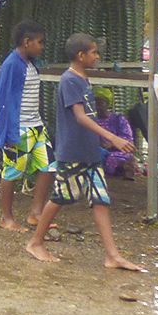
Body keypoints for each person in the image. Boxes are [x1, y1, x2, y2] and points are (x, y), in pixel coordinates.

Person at [27, 35, 144, 270]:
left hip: (90, 151)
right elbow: (80, 117)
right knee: (61, 196)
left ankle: (112, 255)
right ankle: (35, 242)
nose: (97, 56)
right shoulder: (70, 81)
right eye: (94, 52)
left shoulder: (83, 79)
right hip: (73, 151)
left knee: (101, 199)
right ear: (81, 56)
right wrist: (112, 137)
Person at [0, 20, 55, 232]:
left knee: (48, 166)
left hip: (36, 126)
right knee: (11, 171)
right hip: (18, 128)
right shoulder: (11, 64)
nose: (42, 46)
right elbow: (3, 97)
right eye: (40, 42)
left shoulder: (30, 64)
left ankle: (36, 213)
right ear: (27, 42)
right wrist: (8, 131)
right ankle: (7, 217)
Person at [95, 89, 140, 178]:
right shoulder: (91, 121)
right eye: (96, 103)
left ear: (108, 104)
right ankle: (123, 169)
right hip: (98, 152)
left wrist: (112, 144)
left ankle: (126, 168)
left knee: (117, 157)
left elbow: (128, 140)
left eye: (101, 103)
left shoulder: (118, 119)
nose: (98, 106)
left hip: (118, 151)